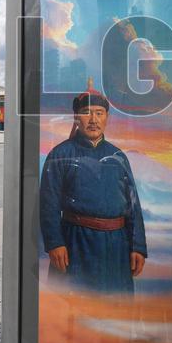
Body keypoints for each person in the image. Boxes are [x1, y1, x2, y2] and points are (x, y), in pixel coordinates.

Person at [39, 78, 147, 293]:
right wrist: (55, 243)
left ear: (107, 117)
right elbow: (48, 204)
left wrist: (137, 246)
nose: (93, 119)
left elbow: (133, 205)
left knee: (115, 306)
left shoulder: (118, 157)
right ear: (76, 117)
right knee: (75, 306)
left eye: (99, 113)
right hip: (76, 242)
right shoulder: (60, 155)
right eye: (87, 112)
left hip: (116, 245)